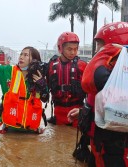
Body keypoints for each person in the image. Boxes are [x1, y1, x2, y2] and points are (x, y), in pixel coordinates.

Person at [79, 22, 128, 167]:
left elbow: (93, 80)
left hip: (120, 150)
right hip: (103, 146)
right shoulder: (111, 68)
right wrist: (83, 112)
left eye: (101, 45)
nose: (97, 50)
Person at [0, 32, 49, 134]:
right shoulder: (8, 71)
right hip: (9, 131)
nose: (21, 57)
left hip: (32, 133)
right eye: (21, 54)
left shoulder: (39, 78)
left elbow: (45, 98)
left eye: (26, 55)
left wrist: (42, 85)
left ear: (34, 60)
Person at [46, 32, 88, 162]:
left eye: (75, 49)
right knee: (58, 142)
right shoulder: (51, 66)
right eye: (69, 49)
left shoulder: (82, 66)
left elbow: (91, 89)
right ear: (60, 48)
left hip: (77, 110)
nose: (73, 52)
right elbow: (45, 87)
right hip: (59, 111)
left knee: (74, 142)